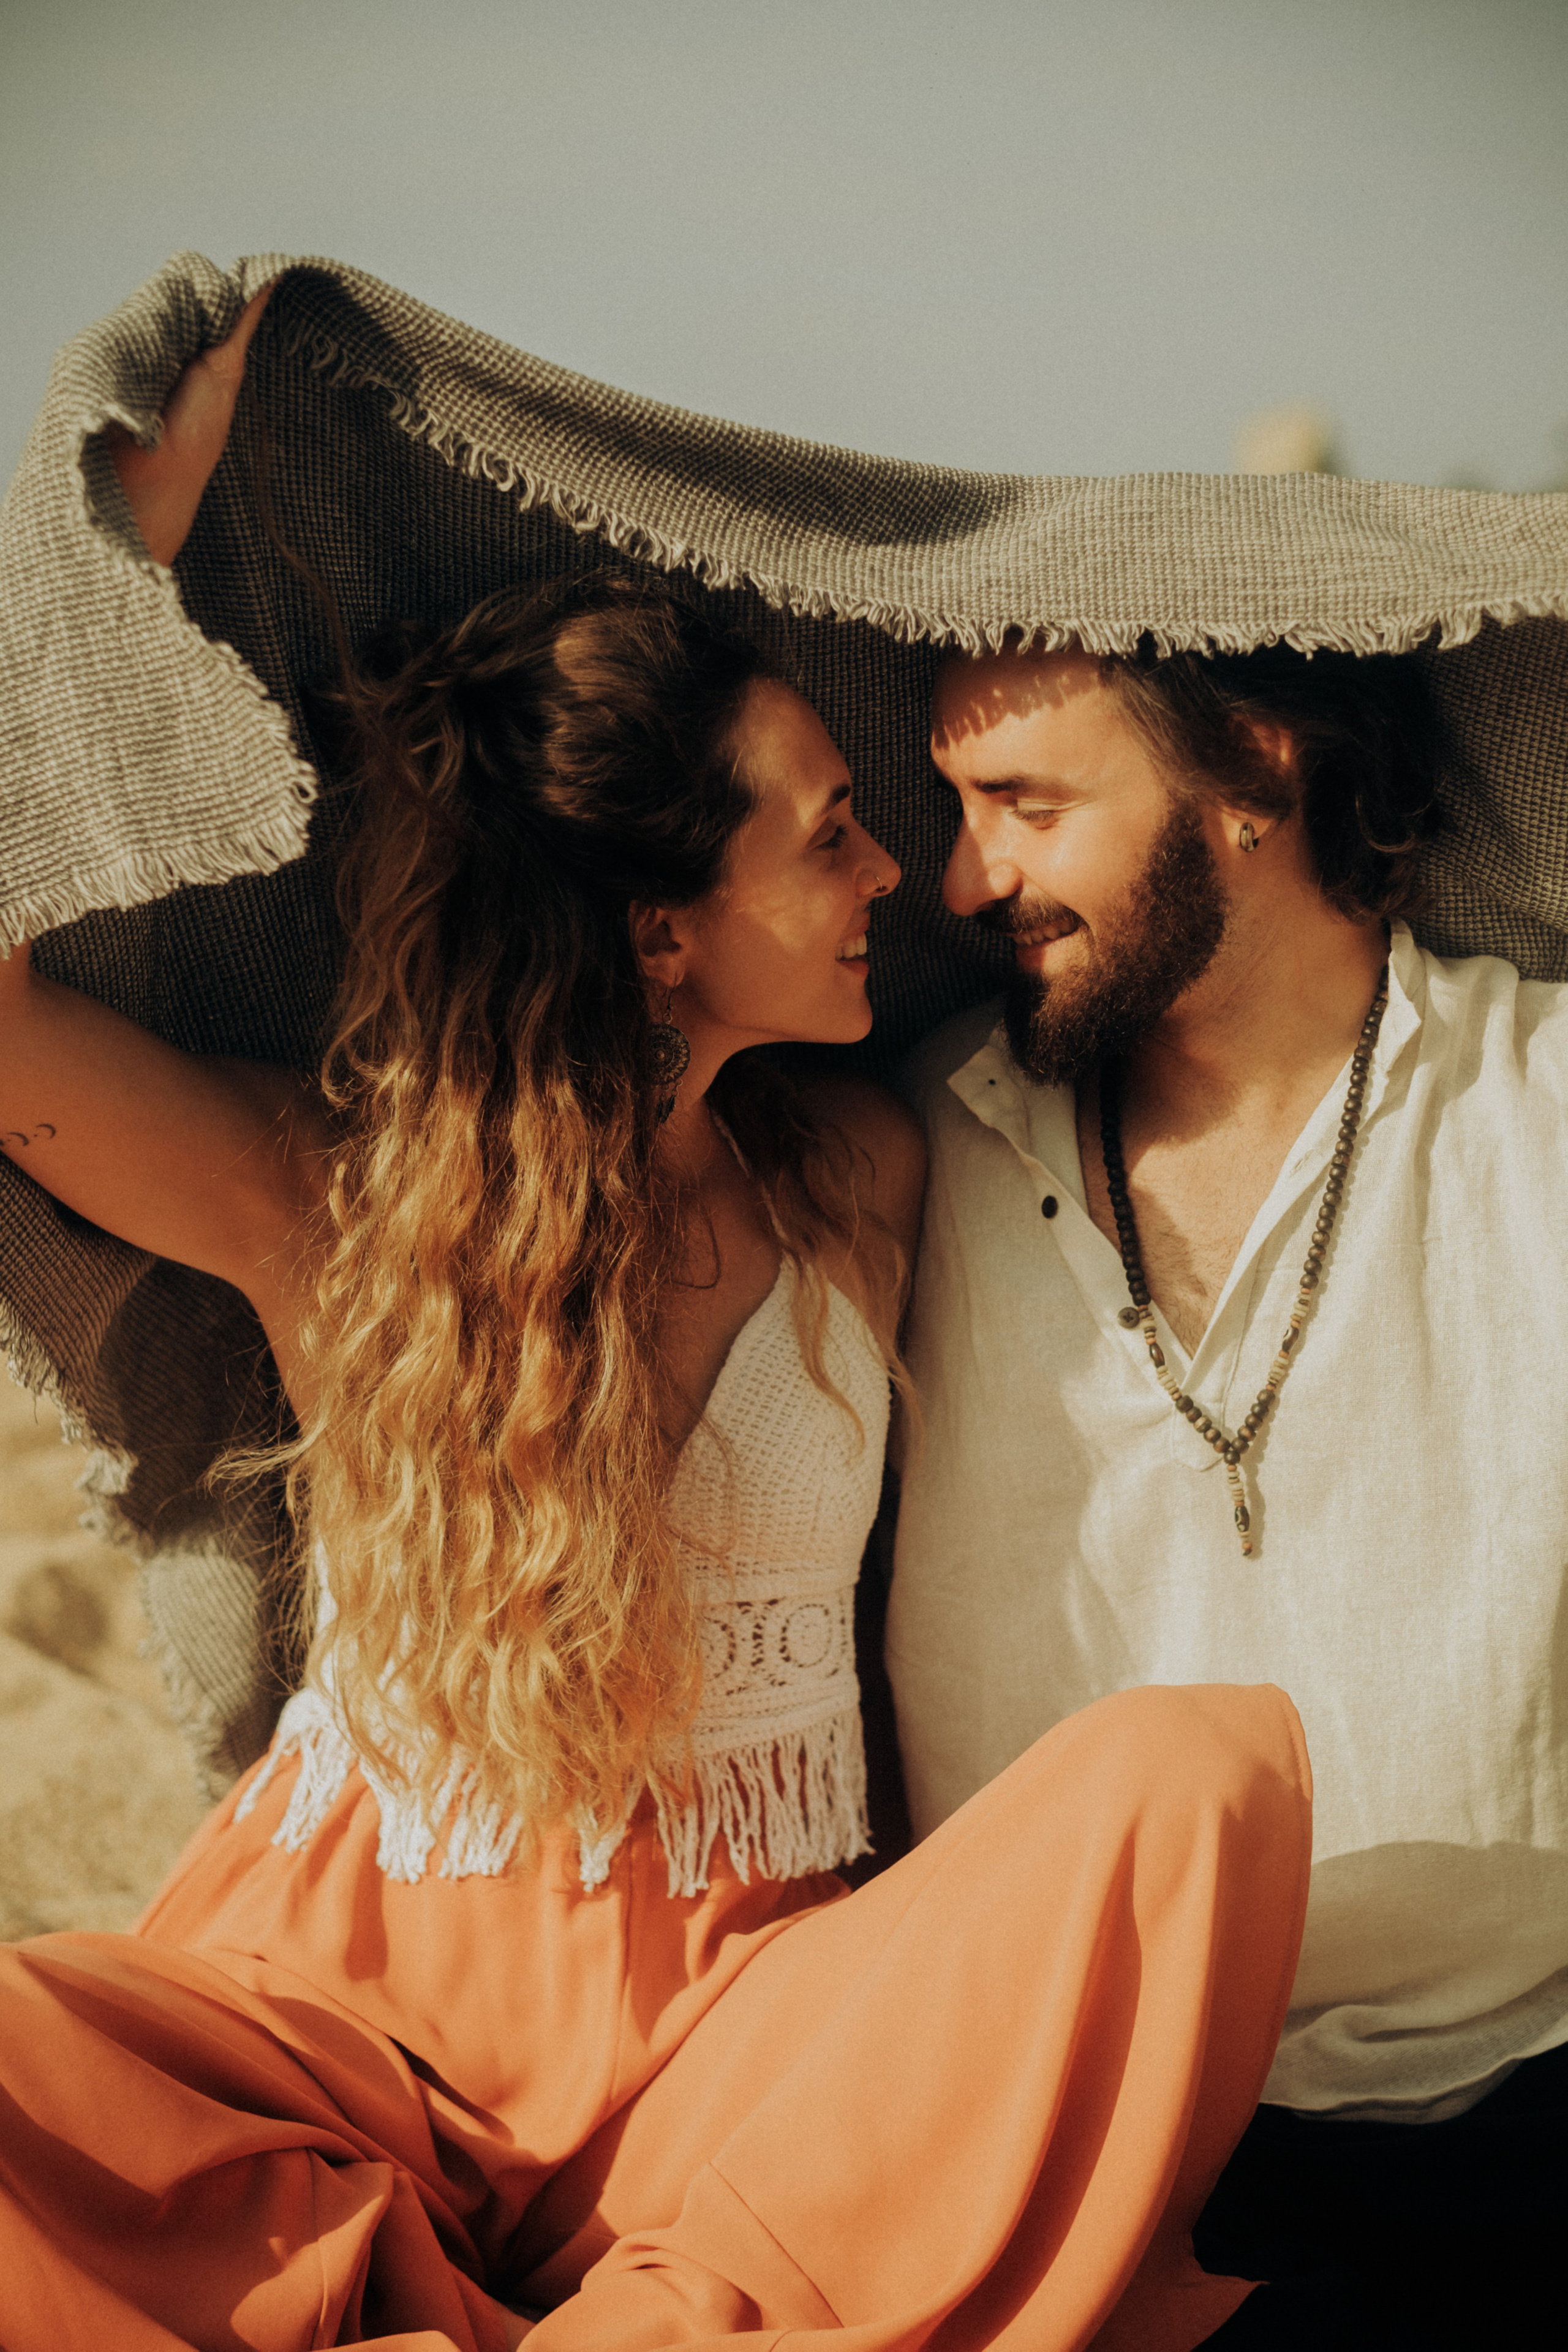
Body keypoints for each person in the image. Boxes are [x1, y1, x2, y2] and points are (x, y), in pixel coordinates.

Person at [0, 300, 1312, 2351]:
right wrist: (127, 558)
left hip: (734, 2056)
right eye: (830, 834)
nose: (902, 867)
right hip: (333, 2042)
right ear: (657, 927)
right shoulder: (333, 1199)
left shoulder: (862, 1169)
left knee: (1198, 1783)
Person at [887, 634, 1568, 2348]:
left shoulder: (1545, 1102)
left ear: (1255, 774)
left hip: (1530, 2105)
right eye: (953, 809)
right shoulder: (903, 1139)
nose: (968, 876)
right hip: (1060, 2130)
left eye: (1025, 804)